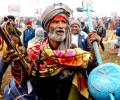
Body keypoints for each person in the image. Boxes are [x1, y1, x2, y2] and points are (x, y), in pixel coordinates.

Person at [3, 3, 101, 100]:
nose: (61, 26)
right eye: (56, 22)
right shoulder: (35, 51)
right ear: (47, 26)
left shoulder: (73, 51)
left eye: (64, 22)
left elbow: (93, 69)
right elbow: (23, 79)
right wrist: (17, 63)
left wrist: (94, 49)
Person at [0, 15, 22, 98]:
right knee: (0, 72)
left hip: (14, 57)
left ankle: (17, 92)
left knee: (17, 74)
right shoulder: (3, 30)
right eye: (7, 20)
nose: (8, 22)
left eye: (10, 20)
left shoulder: (17, 32)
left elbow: (17, 41)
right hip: (5, 56)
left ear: (13, 21)